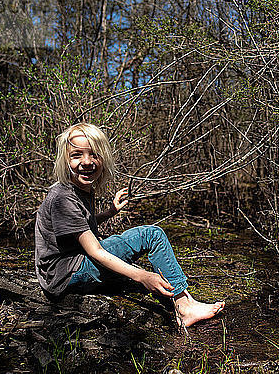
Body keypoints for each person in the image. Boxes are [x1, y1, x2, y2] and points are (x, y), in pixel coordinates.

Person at [34, 123, 224, 327]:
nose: (87, 162)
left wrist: (110, 212)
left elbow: (79, 226)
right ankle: (184, 308)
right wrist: (142, 276)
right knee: (151, 235)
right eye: (77, 155)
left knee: (138, 257)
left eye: (94, 154)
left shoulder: (80, 187)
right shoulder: (63, 198)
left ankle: (186, 300)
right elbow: (96, 251)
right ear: (64, 159)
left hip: (65, 269)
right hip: (67, 274)